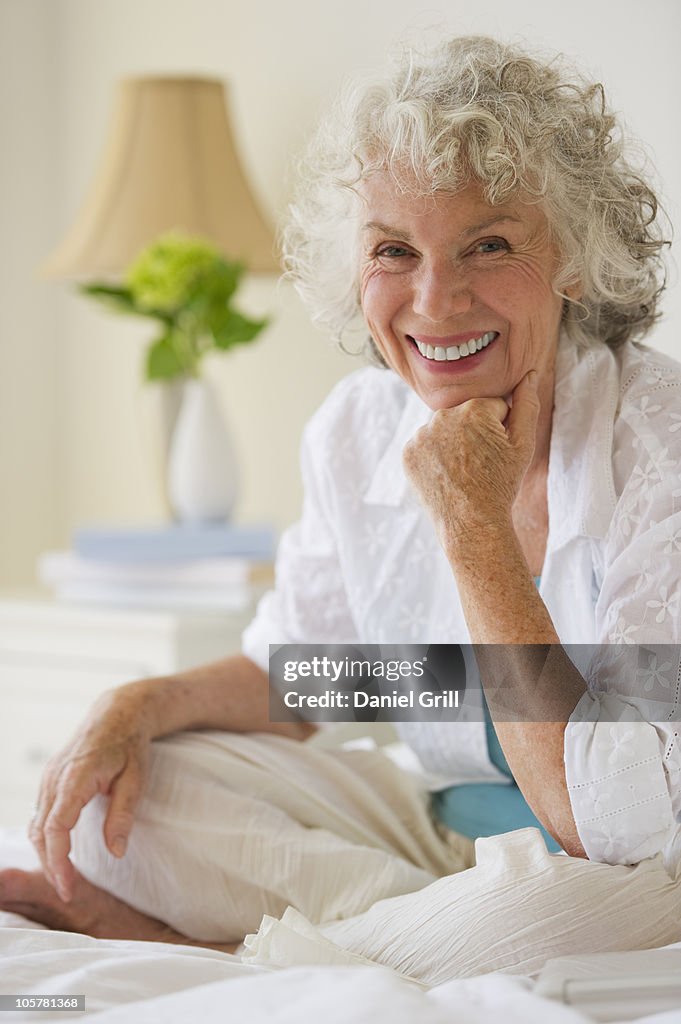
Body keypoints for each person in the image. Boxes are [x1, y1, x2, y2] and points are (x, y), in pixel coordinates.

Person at [2, 35, 680, 977]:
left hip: (615, 864)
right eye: (393, 251)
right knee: (117, 807)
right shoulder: (355, 428)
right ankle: (399, 936)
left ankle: (224, 951)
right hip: (427, 836)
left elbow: (609, 815)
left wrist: (473, 527)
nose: (435, 300)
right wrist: (140, 702)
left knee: (563, 915)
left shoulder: (661, 444)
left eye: (489, 244)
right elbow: (319, 682)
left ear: (571, 256)